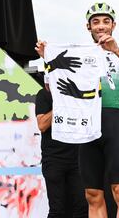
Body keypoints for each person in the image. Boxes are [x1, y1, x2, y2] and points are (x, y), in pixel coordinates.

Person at [35, 2, 119, 218]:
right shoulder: (81, 53)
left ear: (113, 25)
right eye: (95, 22)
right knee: (92, 194)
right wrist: (47, 57)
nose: (101, 26)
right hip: (87, 124)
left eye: (106, 21)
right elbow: (52, 88)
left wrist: (115, 50)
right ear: (89, 27)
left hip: (114, 120)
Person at [35, 87, 88, 218]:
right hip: (54, 159)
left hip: (77, 158)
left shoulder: (78, 91)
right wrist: (61, 102)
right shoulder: (44, 94)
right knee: (57, 210)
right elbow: (42, 125)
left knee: (82, 208)